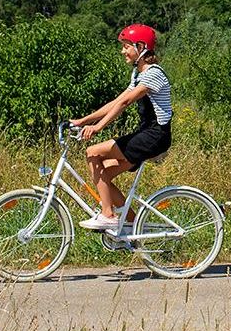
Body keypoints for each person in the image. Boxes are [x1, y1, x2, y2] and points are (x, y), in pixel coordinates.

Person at [70, 23, 172, 232]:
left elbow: (125, 104)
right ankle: (134, 224)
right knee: (103, 174)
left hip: (155, 136)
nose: (122, 51)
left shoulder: (153, 73)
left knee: (93, 152)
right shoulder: (138, 73)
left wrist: (97, 128)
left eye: (126, 46)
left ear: (141, 47)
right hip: (147, 134)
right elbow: (117, 101)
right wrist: (83, 121)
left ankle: (108, 215)